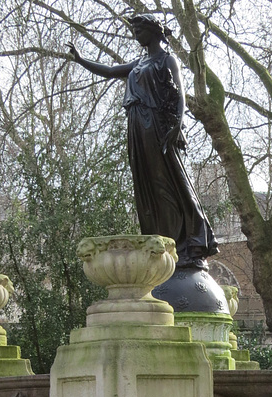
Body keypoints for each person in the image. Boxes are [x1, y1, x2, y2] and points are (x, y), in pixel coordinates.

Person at [67, 14, 219, 268]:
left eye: (139, 29)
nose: (135, 33)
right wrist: (81, 59)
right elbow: (110, 71)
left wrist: (177, 125)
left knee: (167, 180)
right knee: (146, 181)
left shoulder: (167, 59)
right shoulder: (140, 62)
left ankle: (187, 239)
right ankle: (159, 238)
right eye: (133, 29)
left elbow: (180, 94)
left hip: (157, 125)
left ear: (153, 31)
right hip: (136, 124)